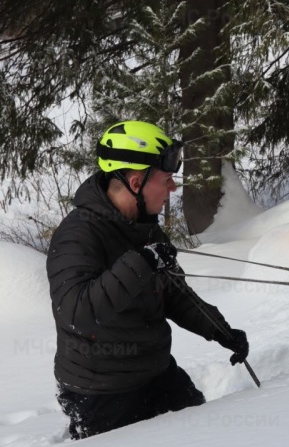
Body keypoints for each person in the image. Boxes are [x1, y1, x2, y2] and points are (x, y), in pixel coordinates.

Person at [46, 120, 250, 439]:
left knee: (202, 436)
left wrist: (220, 330)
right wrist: (141, 263)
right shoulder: (78, 235)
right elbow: (75, 313)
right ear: (137, 182)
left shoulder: (144, 226)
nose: (173, 188)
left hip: (156, 372)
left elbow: (176, 295)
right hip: (100, 392)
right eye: (167, 179)